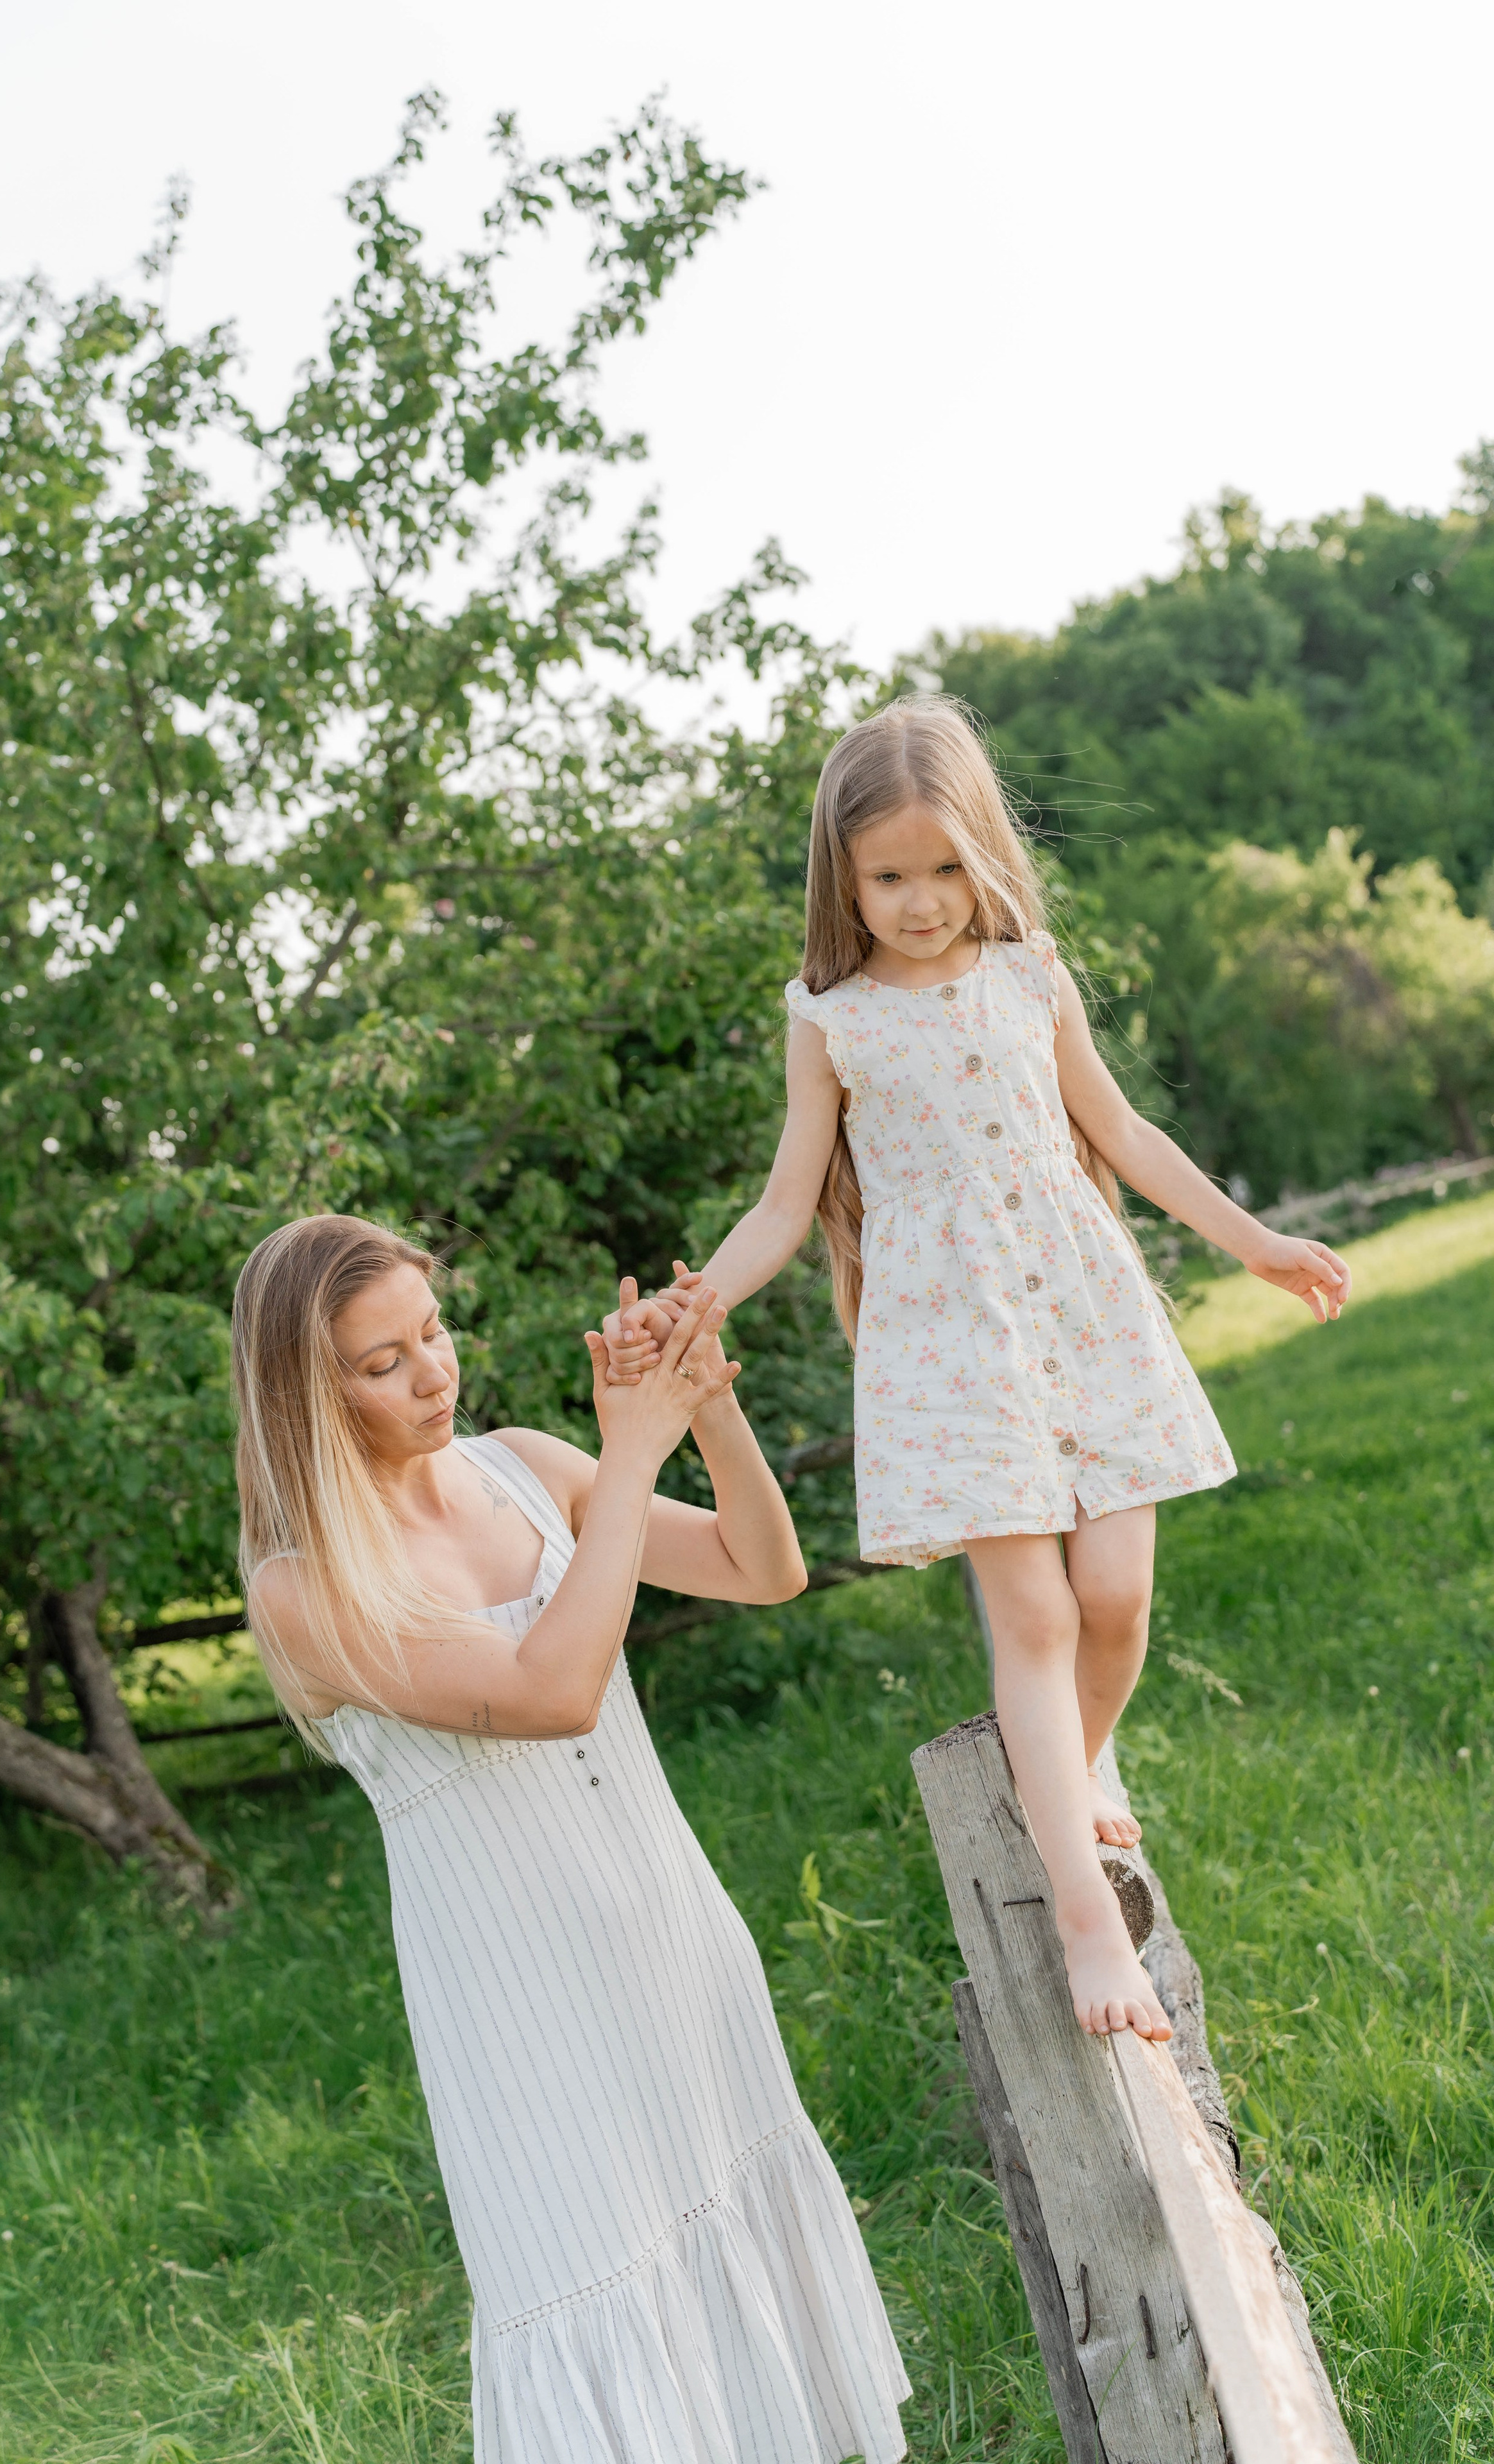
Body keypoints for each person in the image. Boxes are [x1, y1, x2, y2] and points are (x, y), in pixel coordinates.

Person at [604, 696, 1351, 2043]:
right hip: (948, 1346)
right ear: (842, 877)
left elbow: (1117, 1130)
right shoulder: (830, 1018)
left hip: (1083, 1311)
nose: (919, 901)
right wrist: (694, 1298)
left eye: (943, 869)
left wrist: (1253, 1243)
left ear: (983, 853)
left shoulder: (1028, 975)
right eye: (887, 877)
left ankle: (1075, 1746)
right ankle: (1077, 1909)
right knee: (1037, 1622)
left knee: (1115, 1603)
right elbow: (785, 1202)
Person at [231, 1213, 910, 2464]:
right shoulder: (303, 1589)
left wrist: (702, 1409)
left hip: (674, 1943)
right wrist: (635, 1446)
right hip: (523, 2021)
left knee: (737, 2267)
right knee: (597, 2298)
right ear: (307, 1396)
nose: (432, 1372)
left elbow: (765, 1569)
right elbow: (550, 1692)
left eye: (430, 1334)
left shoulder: (523, 1468)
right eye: (381, 1363)